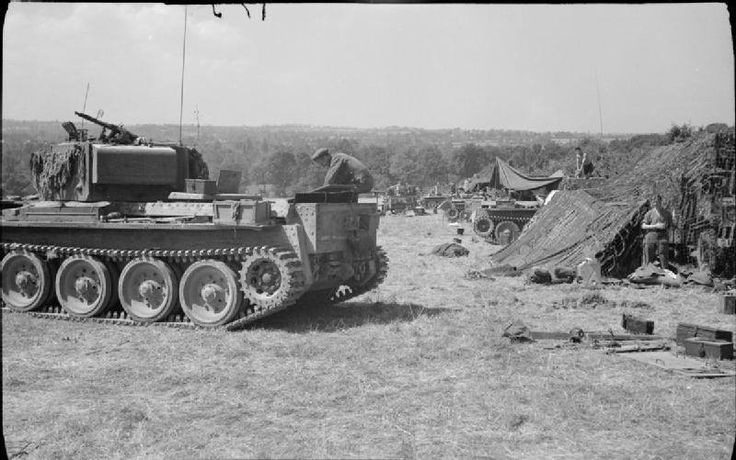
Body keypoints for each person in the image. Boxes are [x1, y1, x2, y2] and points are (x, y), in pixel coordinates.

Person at [641, 194, 672, 269]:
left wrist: (665, 227)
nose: (654, 203)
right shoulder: (649, 213)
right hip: (651, 235)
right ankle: (648, 271)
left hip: (662, 236)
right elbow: (643, 226)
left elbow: (670, 226)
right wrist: (655, 226)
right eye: (653, 201)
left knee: (663, 255)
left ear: (660, 201)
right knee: (649, 253)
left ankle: (665, 272)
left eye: (656, 201)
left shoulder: (667, 213)